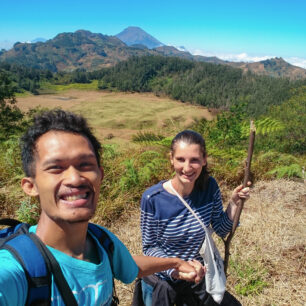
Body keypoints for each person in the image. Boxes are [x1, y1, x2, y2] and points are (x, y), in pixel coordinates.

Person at [0, 110, 202, 305]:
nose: (74, 178)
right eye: (56, 168)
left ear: (100, 175)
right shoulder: (15, 270)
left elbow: (130, 268)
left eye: (85, 165)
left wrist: (174, 263)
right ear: (30, 186)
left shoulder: (102, 242)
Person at [140, 130, 251, 305]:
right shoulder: (153, 199)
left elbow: (221, 229)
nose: (187, 168)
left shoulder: (209, 187)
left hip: (198, 277)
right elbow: (149, 247)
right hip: (164, 281)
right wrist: (176, 269)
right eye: (180, 159)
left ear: (204, 159)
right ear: (171, 159)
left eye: (194, 160)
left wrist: (234, 203)